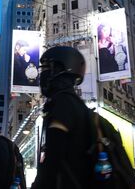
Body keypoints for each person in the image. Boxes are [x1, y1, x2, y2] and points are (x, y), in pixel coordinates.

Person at [28, 46, 93, 189]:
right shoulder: (74, 103)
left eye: (45, 69)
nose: (41, 75)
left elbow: (53, 159)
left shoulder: (63, 104)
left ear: (58, 69)